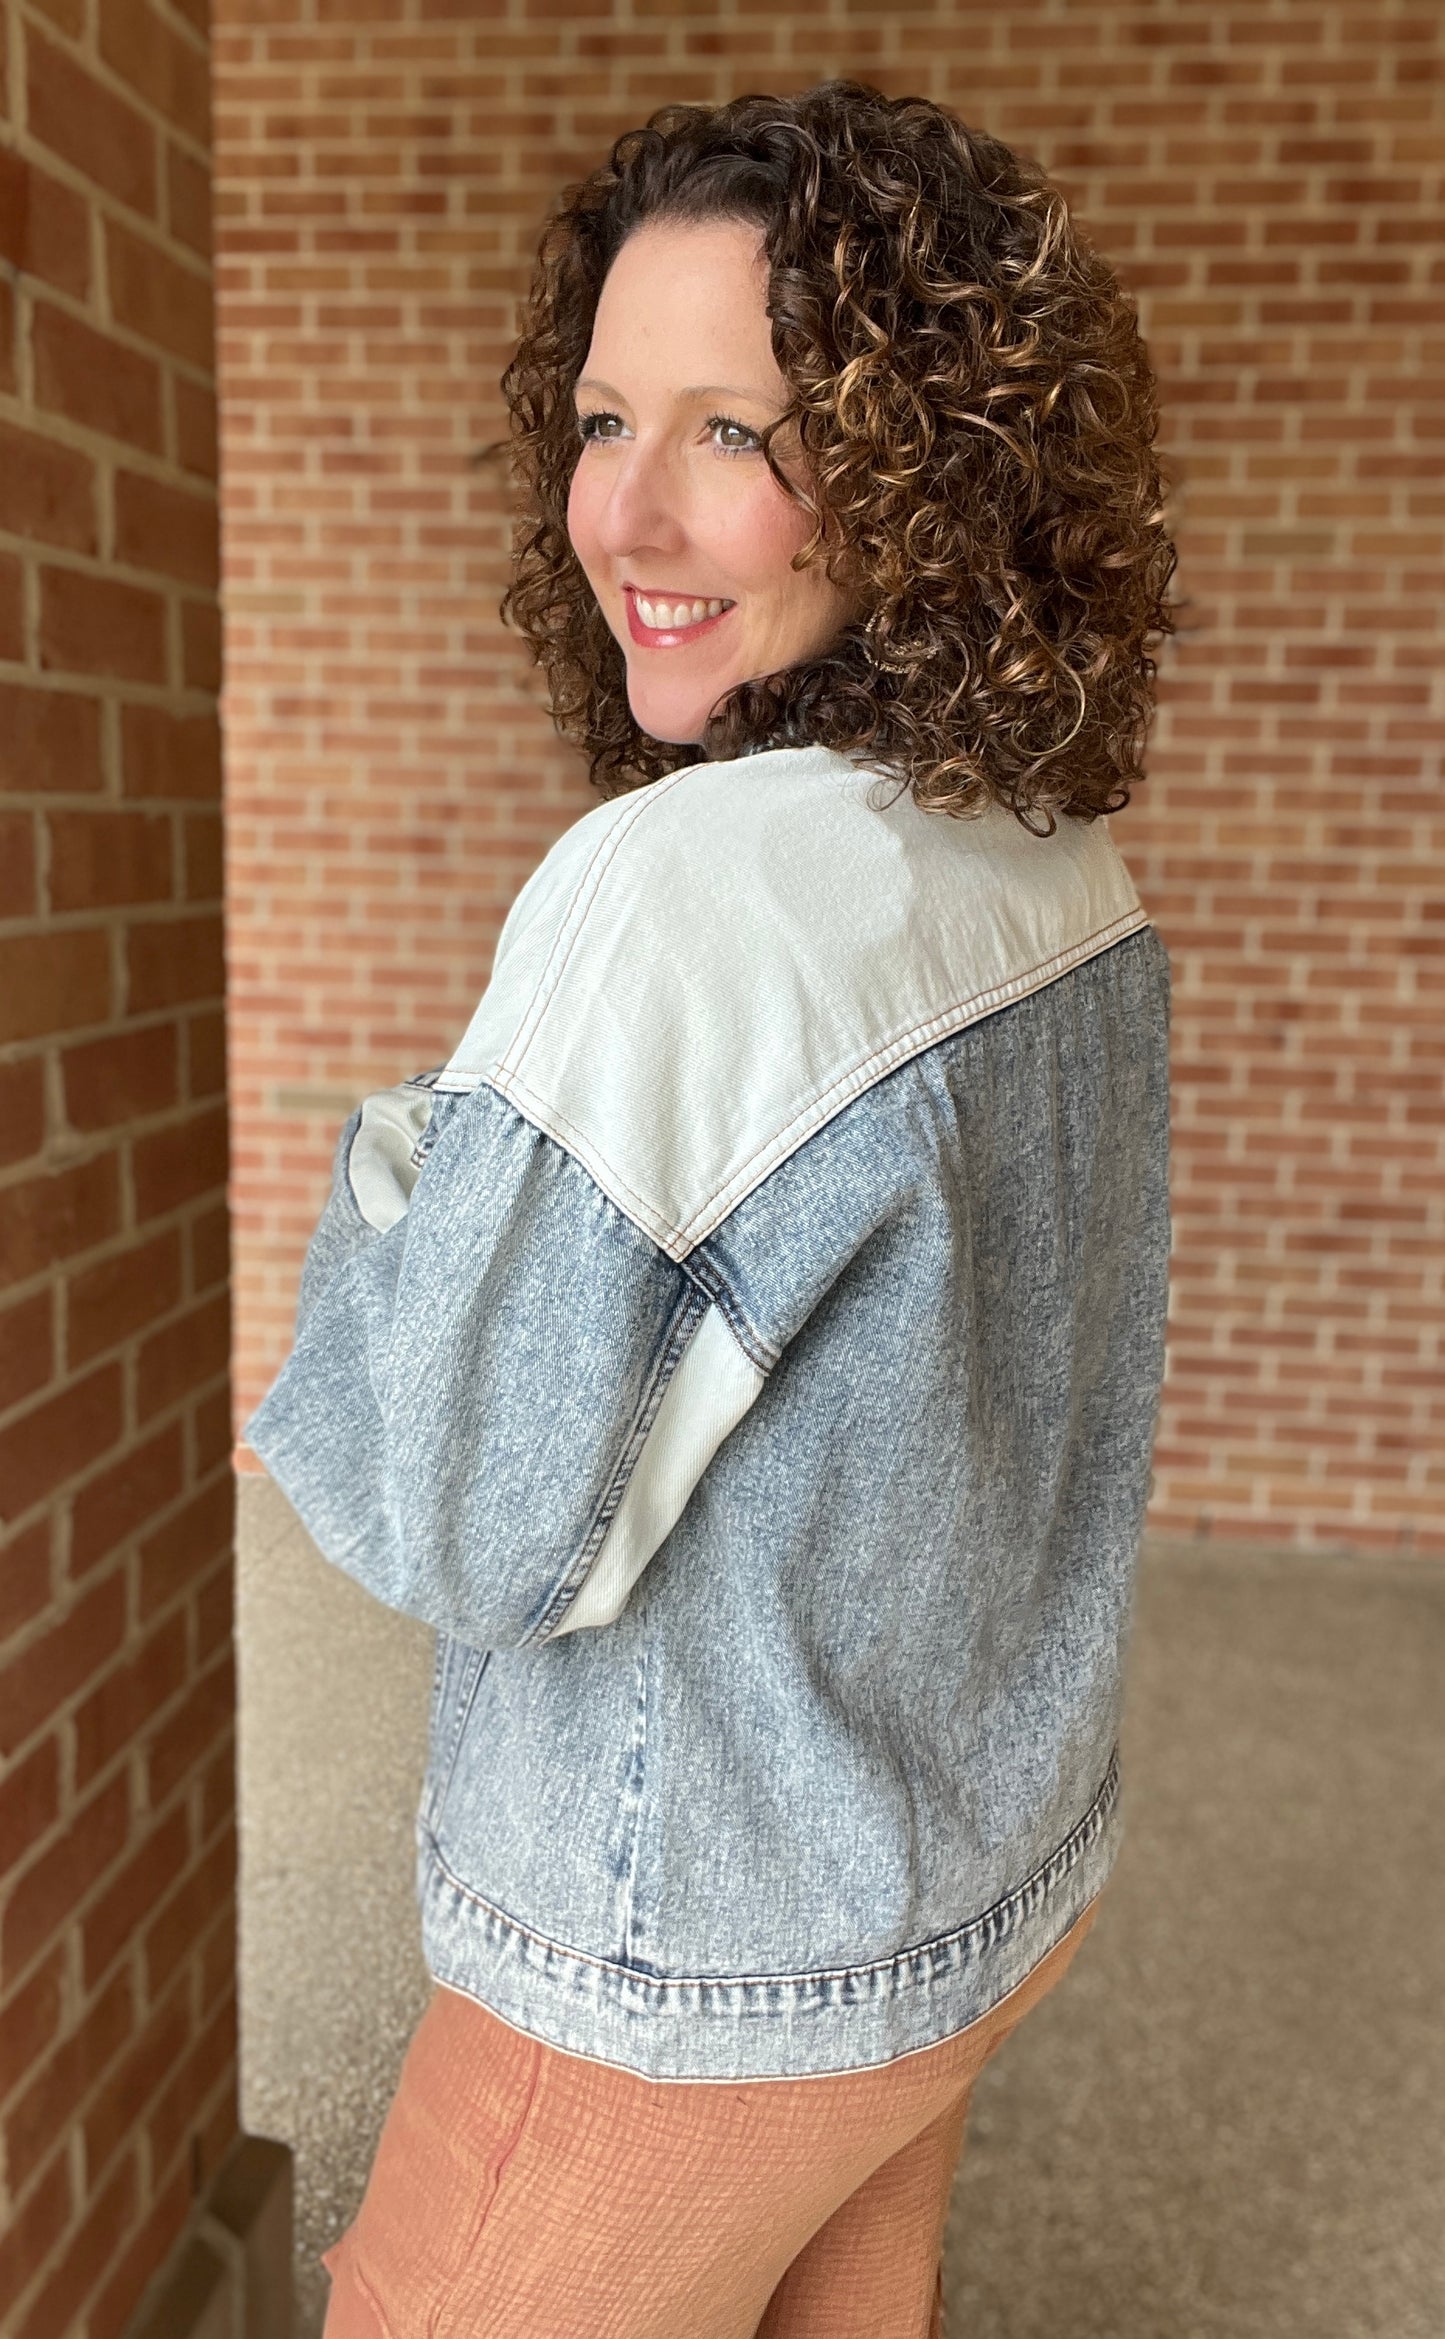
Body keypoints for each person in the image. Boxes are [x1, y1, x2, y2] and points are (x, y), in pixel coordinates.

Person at [243, 78, 1178, 2339]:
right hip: (967, 1920)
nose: (628, 511)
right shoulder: (1056, 860)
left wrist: (405, 1170)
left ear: (931, 472)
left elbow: (455, 1506)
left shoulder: (679, 901)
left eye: (743, 433)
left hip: (677, 1985)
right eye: (600, 415)